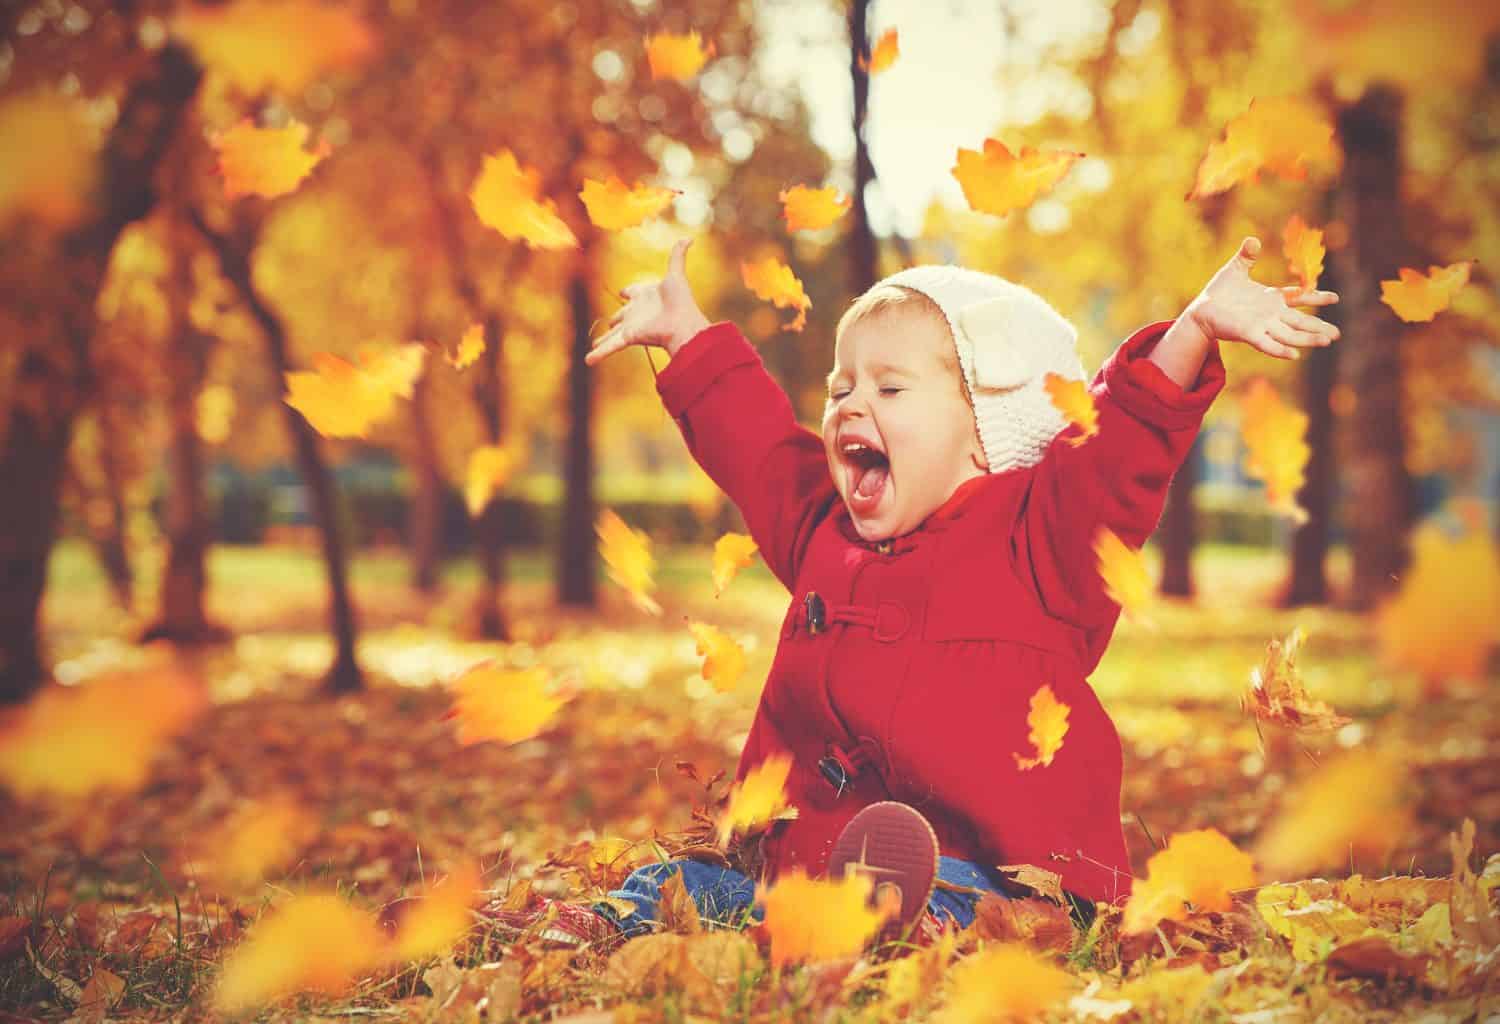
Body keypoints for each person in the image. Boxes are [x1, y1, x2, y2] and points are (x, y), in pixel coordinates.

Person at [485, 236, 1338, 951]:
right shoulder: (824, 531)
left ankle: (904, 930)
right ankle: (585, 925)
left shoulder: (1041, 539)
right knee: (678, 883)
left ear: (986, 436)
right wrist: (687, 335)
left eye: (890, 388)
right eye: (841, 387)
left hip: (997, 872)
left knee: (956, 906)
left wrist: (1191, 331)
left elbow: (1119, 452)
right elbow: (758, 450)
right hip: (806, 861)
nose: (854, 402)